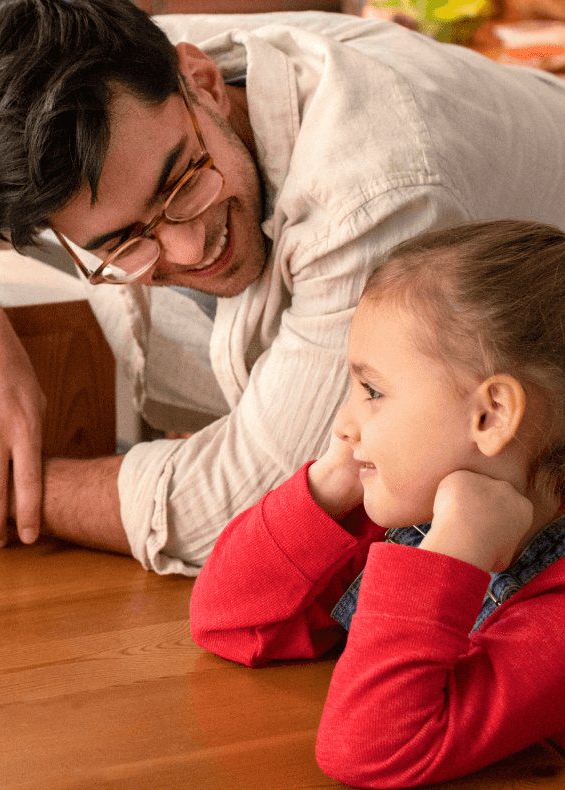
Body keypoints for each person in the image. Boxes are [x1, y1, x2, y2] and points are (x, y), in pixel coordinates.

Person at [0, 0, 565, 574]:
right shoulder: (116, 83)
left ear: (202, 81)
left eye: (180, 183)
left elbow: (250, 503)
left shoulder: (376, 190)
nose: (188, 246)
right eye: (122, 243)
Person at [190, 220, 565, 787]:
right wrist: (327, 486)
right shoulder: (406, 520)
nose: (342, 424)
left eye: (372, 391)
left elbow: (372, 749)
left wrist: (451, 558)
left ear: (490, 416)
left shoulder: (553, 622)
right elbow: (227, 621)